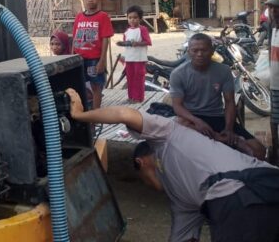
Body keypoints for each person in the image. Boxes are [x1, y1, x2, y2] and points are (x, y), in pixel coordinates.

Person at [64, 88, 279, 242]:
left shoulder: (166, 134)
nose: (149, 185)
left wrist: (81, 115)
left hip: (241, 196)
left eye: (143, 180)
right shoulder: (184, 200)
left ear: (141, 163)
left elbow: (124, 114)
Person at [169, 33, 266, 159]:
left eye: (204, 50)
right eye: (195, 50)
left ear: (212, 51)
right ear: (188, 51)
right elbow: (177, 106)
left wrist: (229, 128)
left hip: (217, 117)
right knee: (178, 123)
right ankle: (219, 138)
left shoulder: (224, 71)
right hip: (191, 119)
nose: (199, 54)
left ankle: (222, 137)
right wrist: (197, 121)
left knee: (259, 151)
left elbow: (230, 102)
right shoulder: (178, 74)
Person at [71, 0, 114, 109]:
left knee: (96, 87)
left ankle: (96, 115)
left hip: (94, 59)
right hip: (79, 59)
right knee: (79, 86)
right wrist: (72, 56)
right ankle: (83, 112)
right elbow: (75, 37)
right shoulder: (79, 17)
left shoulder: (103, 17)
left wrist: (102, 61)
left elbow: (105, 39)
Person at [116, 5, 152, 103]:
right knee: (130, 78)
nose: (132, 20)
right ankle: (131, 97)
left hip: (139, 59)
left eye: (135, 18)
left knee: (138, 79)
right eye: (130, 18)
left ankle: (138, 98)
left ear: (140, 18)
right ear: (127, 18)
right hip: (129, 59)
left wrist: (137, 44)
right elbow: (126, 44)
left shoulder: (142, 29)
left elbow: (148, 42)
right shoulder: (127, 31)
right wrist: (121, 44)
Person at [268, 0, 279, 164]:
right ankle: (276, 150)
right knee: (274, 119)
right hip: (275, 84)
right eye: (271, 8)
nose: (274, 12)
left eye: (277, 8)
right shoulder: (274, 28)